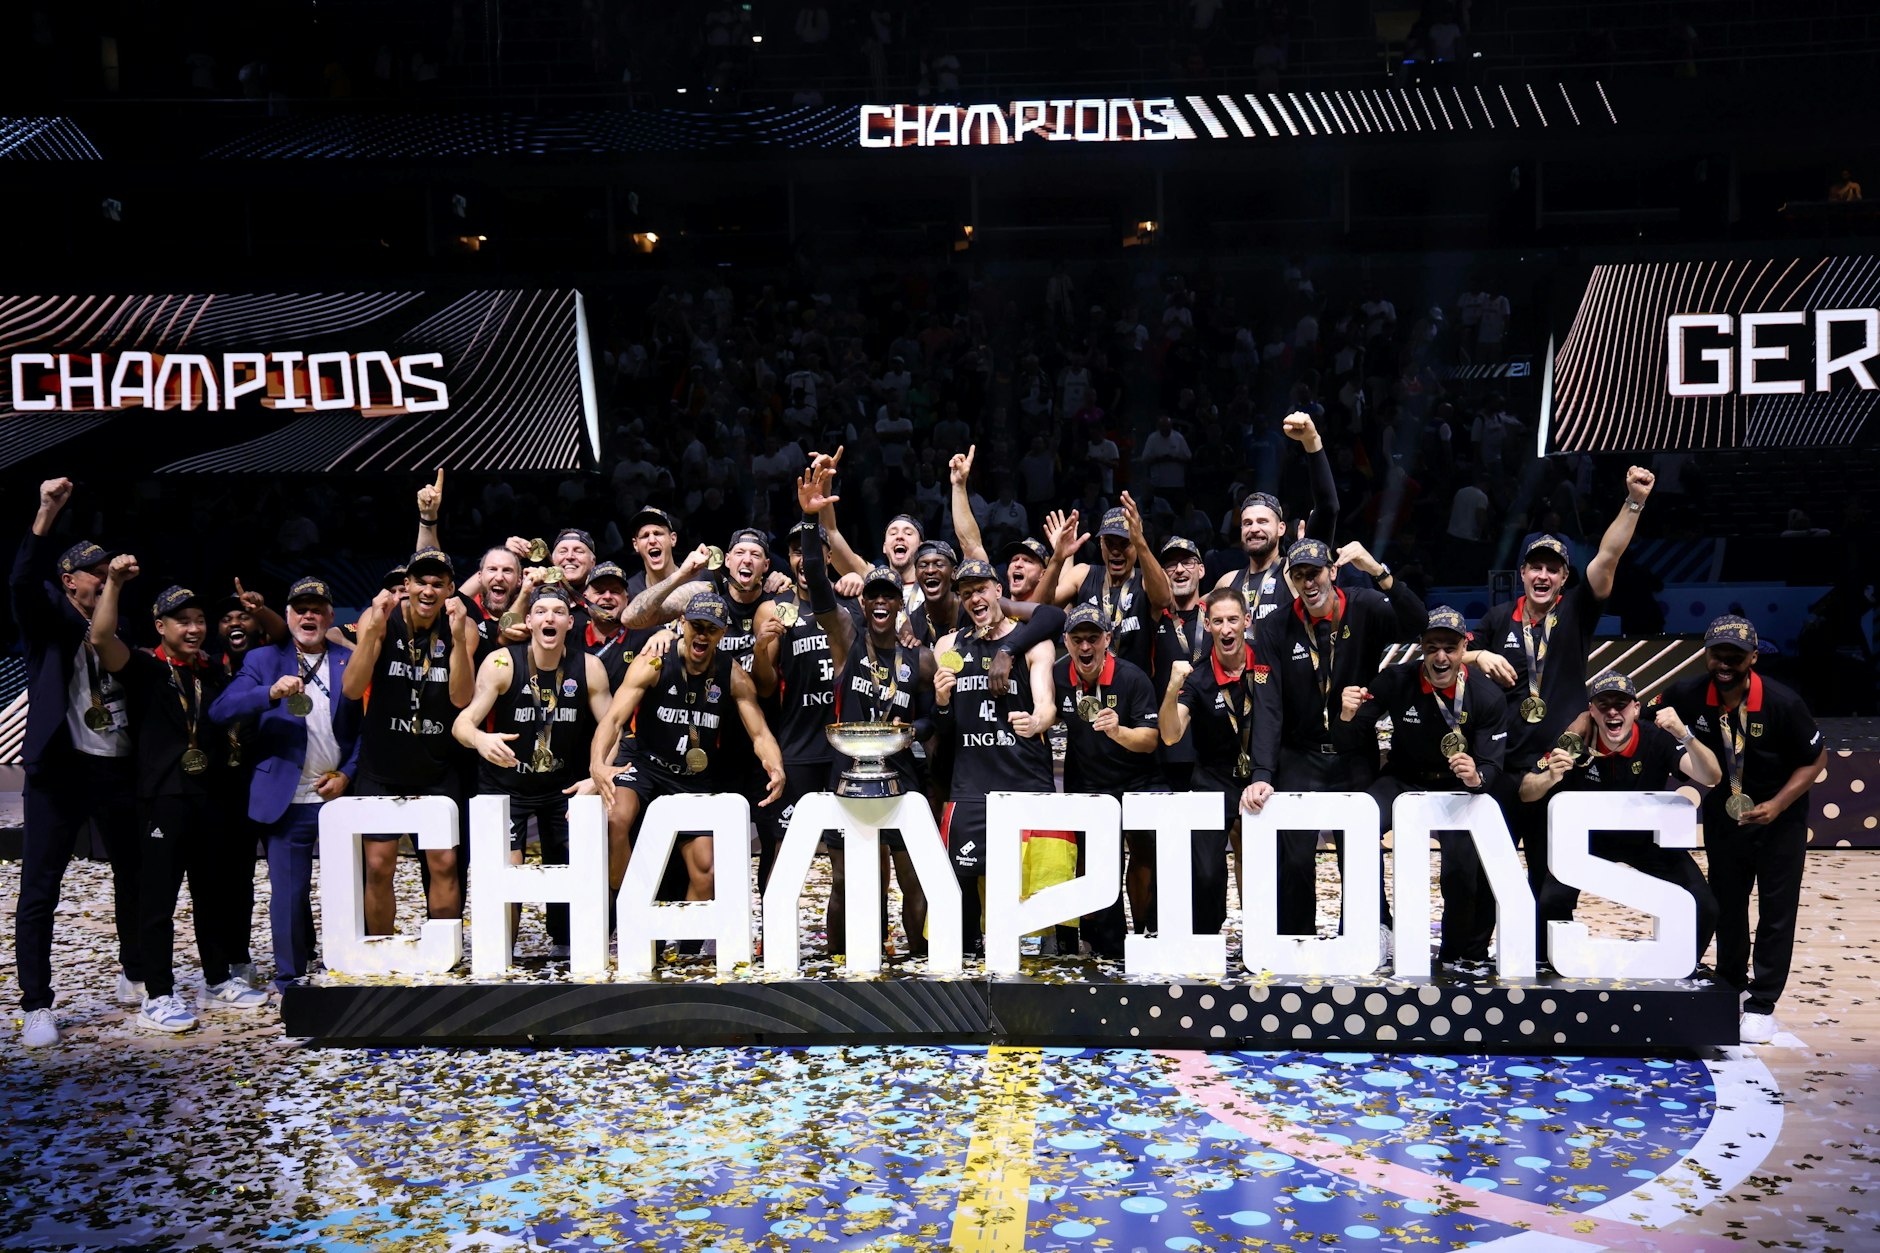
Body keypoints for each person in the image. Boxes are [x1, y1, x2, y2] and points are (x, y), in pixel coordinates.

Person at [1474, 466, 1655, 960]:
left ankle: (1546, 961)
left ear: (1564, 578)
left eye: (1553, 569)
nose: (1543, 575)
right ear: (1522, 573)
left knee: (1553, 880)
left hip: (1560, 769)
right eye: (1535, 566)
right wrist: (1479, 654)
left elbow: (1608, 555)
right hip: (1503, 769)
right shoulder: (1496, 620)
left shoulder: (1577, 611)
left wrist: (1633, 501)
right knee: (1486, 875)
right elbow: (1449, 655)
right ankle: (1473, 960)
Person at [92, 568, 271, 1032]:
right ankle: (158, 995)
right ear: (160, 626)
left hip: (210, 796)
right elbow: (102, 637)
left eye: (199, 620)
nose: (194, 629)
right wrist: (115, 584)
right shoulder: (143, 668)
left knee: (212, 894)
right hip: (162, 798)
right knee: (158, 901)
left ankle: (217, 979)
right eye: (182, 621)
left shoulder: (210, 670)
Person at [10, 479, 144, 1047]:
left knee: (134, 875)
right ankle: (37, 1004)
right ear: (69, 581)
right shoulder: (46, 618)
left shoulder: (119, 624)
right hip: (59, 771)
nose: (106, 577)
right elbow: (21, 580)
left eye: (109, 571)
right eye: (97, 572)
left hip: (114, 765)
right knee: (41, 887)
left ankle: (134, 971)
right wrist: (46, 512)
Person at [1654, 616, 1827, 1043]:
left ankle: (1762, 1002)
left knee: (1775, 912)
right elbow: (1649, 720)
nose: (1725, 663)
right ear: (1706, 654)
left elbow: (1816, 759)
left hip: (1779, 821)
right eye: (1718, 654)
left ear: (1753, 657)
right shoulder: (1687, 694)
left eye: (1736, 655)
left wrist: (1778, 804)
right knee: (1727, 906)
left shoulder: (1783, 702)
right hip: (1725, 818)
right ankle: (1730, 983)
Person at [1257, 537, 1424, 939]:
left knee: (1361, 850)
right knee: (1295, 858)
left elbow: (1419, 625)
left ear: (1332, 572)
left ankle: (1368, 936)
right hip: (1300, 754)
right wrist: (1263, 771)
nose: (1308, 583)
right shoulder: (1275, 626)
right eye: (1299, 576)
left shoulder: (1365, 605)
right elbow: (1268, 705)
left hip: (1353, 753)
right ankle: (1295, 940)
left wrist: (1378, 572)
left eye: (1314, 573)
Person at [207, 576, 359, 992]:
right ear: (288, 616)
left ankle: (349, 965)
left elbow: (367, 730)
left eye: (317, 610)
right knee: (289, 895)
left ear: (330, 617)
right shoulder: (263, 660)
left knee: (348, 890)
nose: (308, 616)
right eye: (300, 609)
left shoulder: (348, 659)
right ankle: (290, 978)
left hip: (337, 797)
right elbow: (221, 710)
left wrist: (348, 774)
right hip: (287, 799)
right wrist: (269, 693)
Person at [1338, 607, 1510, 974]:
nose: (1441, 657)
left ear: (1465, 648)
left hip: (1459, 787)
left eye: (1450, 647)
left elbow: (1493, 766)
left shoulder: (1487, 696)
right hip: (1405, 779)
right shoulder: (1396, 679)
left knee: (1461, 869)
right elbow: (1351, 733)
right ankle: (1378, 925)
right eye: (1432, 648)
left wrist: (1476, 777)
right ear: (1421, 648)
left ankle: (1454, 952)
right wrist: (1347, 715)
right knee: (1358, 821)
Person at [591, 590, 785, 906]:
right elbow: (613, 719)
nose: (702, 635)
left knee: (707, 872)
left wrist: (775, 767)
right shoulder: (654, 661)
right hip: (644, 763)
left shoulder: (732, 674)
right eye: (696, 626)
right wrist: (597, 764)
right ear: (682, 623)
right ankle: (628, 913)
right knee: (615, 819)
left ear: (723, 633)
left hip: (691, 778)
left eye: (711, 629)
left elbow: (760, 733)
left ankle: (683, 934)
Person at [1520, 671, 1720, 972]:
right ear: (1592, 711)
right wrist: (1549, 776)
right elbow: (1526, 792)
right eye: (1604, 704)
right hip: (1589, 843)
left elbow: (1712, 777)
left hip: (1646, 840)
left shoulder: (1657, 738)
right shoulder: (1574, 741)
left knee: (1704, 906)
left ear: (1636, 709)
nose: (1612, 712)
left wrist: (1686, 736)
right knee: (1550, 901)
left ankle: (1681, 970)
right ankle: (1556, 969)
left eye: (1621, 704)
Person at [453, 587, 611, 956]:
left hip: (563, 786)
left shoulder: (589, 667)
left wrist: (598, 773)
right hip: (505, 786)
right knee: (506, 871)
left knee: (574, 863)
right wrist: (480, 739)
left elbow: (614, 728)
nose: (549, 618)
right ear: (529, 621)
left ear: (569, 623)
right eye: (541, 611)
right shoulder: (502, 663)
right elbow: (461, 724)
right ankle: (501, 953)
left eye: (558, 612)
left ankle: (570, 946)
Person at [342, 547, 478, 932]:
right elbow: (352, 689)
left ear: (450, 589)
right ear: (407, 584)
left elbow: (460, 698)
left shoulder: (462, 626)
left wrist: (456, 639)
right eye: (420, 582)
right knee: (378, 864)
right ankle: (380, 950)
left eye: (438, 583)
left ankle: (445, 953)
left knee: (444, 863)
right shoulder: (381, 620)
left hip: (435, 768)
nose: (428, 590)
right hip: (381, 766)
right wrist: (371, 631)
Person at [933, 559, 1058, 955]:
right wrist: (941, 701)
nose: (975, 598)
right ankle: (969, 963)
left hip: (1025, 780)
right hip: (971, 783)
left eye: (981, 589)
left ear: (998, 590)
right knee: (962, 885)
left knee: (1040, 889)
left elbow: (1047, 704)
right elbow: (945, 726)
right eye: (966, 593)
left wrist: (1036, 721)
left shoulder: (1033, 643)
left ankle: (1044, 960)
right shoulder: (948, 647)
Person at [1161, 587, 1280, 938]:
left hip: (1260, 774)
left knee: (1260, 860)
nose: (1226, 629)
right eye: (1217, 622)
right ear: (1208, 625)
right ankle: (1206, 939)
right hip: (1213, 779)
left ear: (1246, 621)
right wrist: (1171, 689)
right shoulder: (1198, 678)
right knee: (1207, 873)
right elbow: (1170, 735)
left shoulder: (1267, 665)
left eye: (1232, 620)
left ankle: (1260, 936)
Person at [833, 564, 937, 957]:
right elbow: (824, 599)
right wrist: (812, 532)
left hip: (901, 775)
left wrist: (913, 729)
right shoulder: (847, 641)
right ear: (863, 603)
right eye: (873, 595)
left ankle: (918, 959)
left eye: (888, 595)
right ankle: (839, 963)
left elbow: (934, 717)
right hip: (848, 774)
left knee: (913, 877)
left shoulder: (919, 658)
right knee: (845, 880)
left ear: (898, 605)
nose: (880, 601)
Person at [1054, 604, 1161, 957]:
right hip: (1087, 782)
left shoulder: (1132, 678)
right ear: (1066, 642)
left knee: (1144, 853)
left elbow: (1150, 740)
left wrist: (1118, 732)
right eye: (1077, 639)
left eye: (1093, 638)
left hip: (1136, 779)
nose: (1085, 647)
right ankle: (1109, 945)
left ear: (1107, 639)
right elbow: (1045, 709)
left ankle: (1146, 932)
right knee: (1099, 863)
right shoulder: (1057, 676)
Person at [1214, 413, 1338, 630]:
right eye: (1247, 523)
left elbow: (1328, 507)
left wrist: (1312, 441)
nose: (1254, 529)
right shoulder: (1227, 583)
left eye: (1263, 521)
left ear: (1281, 528)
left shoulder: (1294, 572)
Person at [1049, 493, 1173, 676]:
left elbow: (1163, 600)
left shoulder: (1146, 579)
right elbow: (1043, 608)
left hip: (1135, 687)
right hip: (1089, 686)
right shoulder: (1083, 574)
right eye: (1109, 543)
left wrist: (1140, 543)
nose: (1116, 551)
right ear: (1100, 543)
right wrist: (1058, 557)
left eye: (1124, 543)